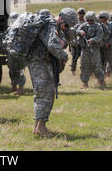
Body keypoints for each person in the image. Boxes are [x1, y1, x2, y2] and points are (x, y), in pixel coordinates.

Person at [25, 8, 74, 137]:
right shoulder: (50, 25)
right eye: (66, 25)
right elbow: (52, 44)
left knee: (46, 91)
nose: (66, 28)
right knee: (45, 92)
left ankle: (39, 126)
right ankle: (40, 127)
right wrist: (64, 56)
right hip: (38, 61)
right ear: (61, 18)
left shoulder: (55, 27)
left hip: (42, 61)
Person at [77, 11, 105, 89]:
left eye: (91, 20)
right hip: (85, 49)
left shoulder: (98, 26)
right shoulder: (83, 26)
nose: (89, 22)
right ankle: (85, 83)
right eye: (88, 20)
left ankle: (101, 81)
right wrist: (80, 32)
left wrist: (92, 40)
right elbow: (76, 31)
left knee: (96, 66)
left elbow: (100, 36)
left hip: (94, 49)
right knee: (84, 66)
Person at [4, 12, 26, 95]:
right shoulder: (10, 29)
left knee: (20, 71)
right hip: (10, 53)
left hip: (19, 53)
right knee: (11, 71)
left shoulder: (22, 29)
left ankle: (21, 89)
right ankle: (13, 87)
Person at [98, 11, 112, 84]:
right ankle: (101, 80)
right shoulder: (98, 26)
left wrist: (109, 43)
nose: (100, 19)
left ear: (106, 18)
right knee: (101, 65)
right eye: (100, 17)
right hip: (100, 49)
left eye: (102, 17)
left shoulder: (111, 26)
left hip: (109, 49)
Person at [70, 8, 86, 75]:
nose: (81, 15)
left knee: (84, 57)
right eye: (80, 13)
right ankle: (73, 70)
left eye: (82, 13)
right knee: (75, 57)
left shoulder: (86, 22)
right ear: (78, 14)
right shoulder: (74, 22)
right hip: (75, 42)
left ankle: (83, 69)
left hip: (82, 42)